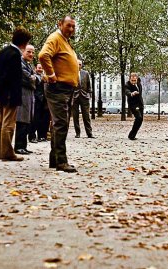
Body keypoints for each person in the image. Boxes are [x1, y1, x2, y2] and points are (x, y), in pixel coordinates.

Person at [39, 15, 79, 173]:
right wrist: (51, 74)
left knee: (59, 125)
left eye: (73, 27)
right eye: (68, 26)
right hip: (58, 88)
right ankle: (61, 162)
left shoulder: (64, 41)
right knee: (61, 125)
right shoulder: (55, 37)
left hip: (65, 89)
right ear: (60, 24)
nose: (71, 29)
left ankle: (54, 159)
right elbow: (43, 55)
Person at [0, 27, 32, 161]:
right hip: (11, 93)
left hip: (2, 92)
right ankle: (7, 152)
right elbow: (13, 77)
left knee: (2, 122)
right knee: (9, 123)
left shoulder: (4, 51)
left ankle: (0, 151)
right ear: (24, 43)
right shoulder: (15, 55)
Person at [14, 44, 36, 155]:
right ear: (23, 51)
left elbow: (34, 78)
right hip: (22, 95)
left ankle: (23, 145)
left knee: (26, 121)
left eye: (33, 52)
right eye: (29, 52)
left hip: (28, 95)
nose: (31, 54)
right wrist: (34, 77)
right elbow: (29, 78)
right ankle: (18, 146)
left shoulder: (28, 64)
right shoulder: (20, 63)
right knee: (22, 121)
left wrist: (34, 77)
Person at [72, 60, 94, 138]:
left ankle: (89, 133)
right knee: (75, 116)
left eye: (80, 64)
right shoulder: (71, 72)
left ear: (82, 65)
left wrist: (89, 94)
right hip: (74, 97)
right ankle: (77, 133)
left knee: (86, 116)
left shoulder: (86, 73)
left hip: (85, 96)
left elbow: (89, 85)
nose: (79, 66)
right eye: (77, 64)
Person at [29, 63, 50, 142]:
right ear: (36, 68)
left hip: (45, 101)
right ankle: (32, 136)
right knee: (35, 119)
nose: (40, 69)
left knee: (45, 120)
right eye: (39, 68)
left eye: (41, 68)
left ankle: (42, 136)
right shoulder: (34, 77)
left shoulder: (46, 76)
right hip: (37, 100)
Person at [125, 73, 144, 140]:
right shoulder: (127, 85)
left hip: (140, 104)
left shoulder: (139, 83)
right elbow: (127, 91)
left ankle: (133, 135)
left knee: (141, 119)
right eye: (132, 80)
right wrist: (131, 93)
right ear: (129, 79)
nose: (133, 82)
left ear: (137, 79)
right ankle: (131, 135)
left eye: (134, 80)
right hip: (133, 105)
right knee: (138, 117)